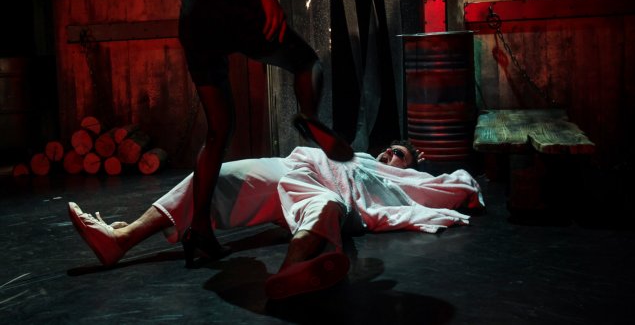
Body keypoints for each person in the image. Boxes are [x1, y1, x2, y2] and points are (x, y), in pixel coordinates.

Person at [162, 0, 352, 265]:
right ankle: (309, 117)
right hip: (237, 12)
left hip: (195, 20)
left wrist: (196, 7)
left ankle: (199, 232)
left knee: (218, 130)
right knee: (306, 63)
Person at [68, 140, 484, 299]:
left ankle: (288, 273)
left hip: (330, 191)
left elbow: (453, 184)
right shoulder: (356, 153)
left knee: (324, 207)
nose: (390, 156)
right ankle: (120, 240)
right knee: (210, 178)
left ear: (409, 166)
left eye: (399, 155)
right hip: (291, 166)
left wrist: (445, 181)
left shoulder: (400, 177)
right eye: (390, 149)